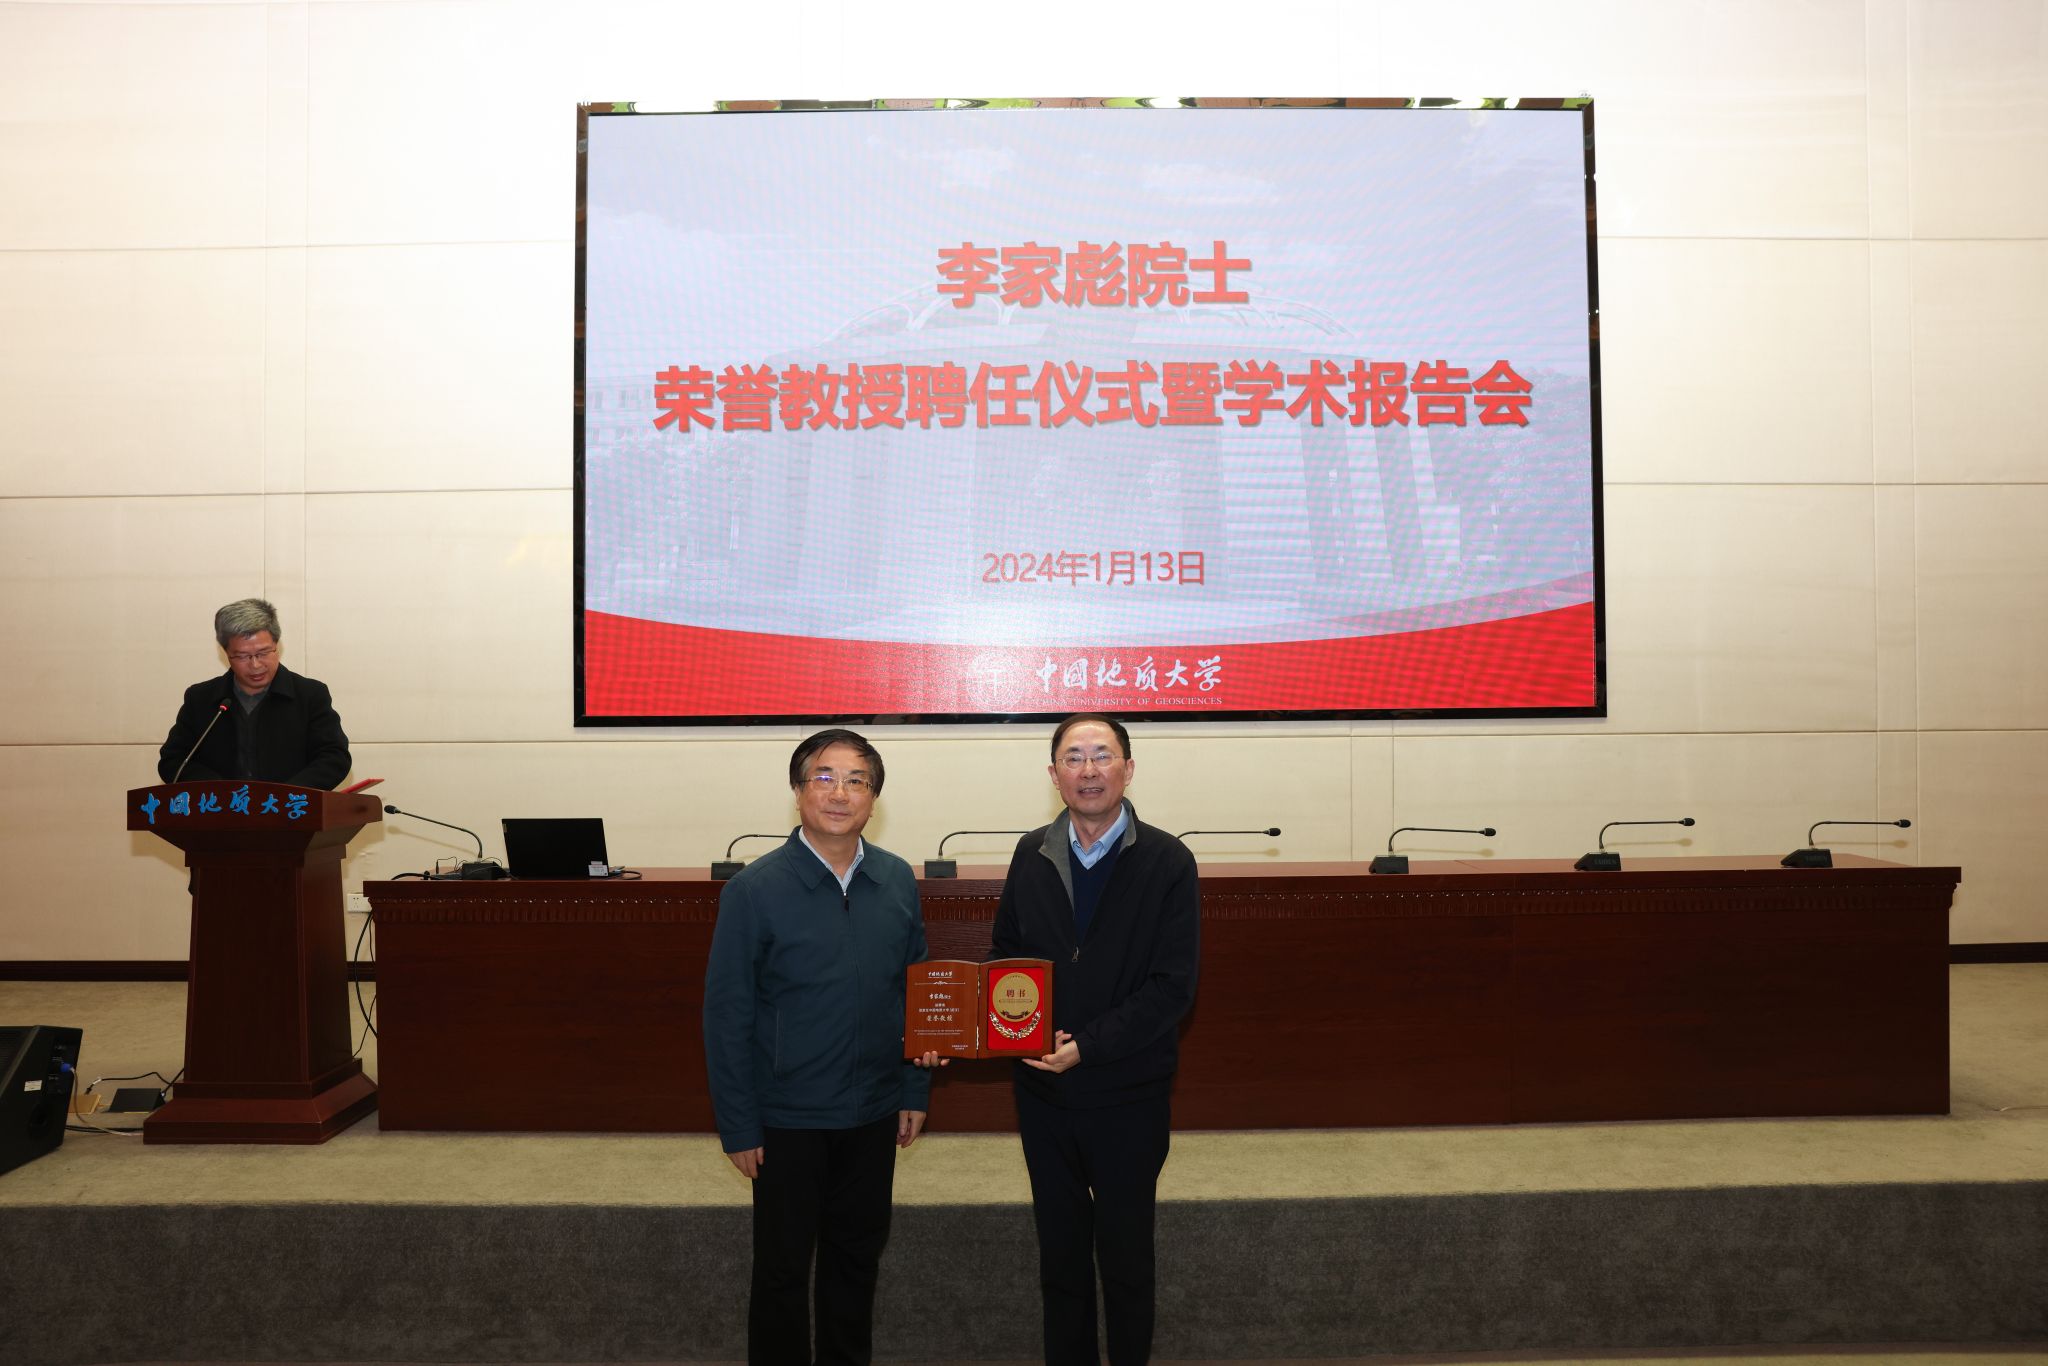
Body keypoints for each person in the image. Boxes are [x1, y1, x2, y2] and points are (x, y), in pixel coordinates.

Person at [702, 728, 936, 1365]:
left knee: (856, 1261)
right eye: (825, 778)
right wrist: (739, 1124)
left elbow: (916, 993)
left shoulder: (895, 879)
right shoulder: (754, 890)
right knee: (782, 1271)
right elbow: (726, 1016)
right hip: (787, 1118)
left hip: (874, 1110)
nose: (840, 793)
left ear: (874, 799)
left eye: (857, 781)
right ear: (799, 790)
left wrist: (914, 1088)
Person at [990, 713, 1200, 1366]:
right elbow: (1006, 959)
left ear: (1128, 769)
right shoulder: (1031, 853)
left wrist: (1087, 1045)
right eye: (1073, 758)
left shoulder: (1167, 860)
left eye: (1102, 755)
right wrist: (1012, 1030)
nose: (1088, 770)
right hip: (1043, 1096)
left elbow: (1172, 987)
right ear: (1053, 775)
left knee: (1127, 1259)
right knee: (1061, 1261)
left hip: (1128, 1093)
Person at [157, 598, 351, 788]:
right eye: (242, 656)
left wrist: (288, 794)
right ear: (226, 654)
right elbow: (173, 761)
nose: (255, 665)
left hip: (290, 807)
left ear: (277, 645)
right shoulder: (201, 699)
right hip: (220, 807)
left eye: (263, 653)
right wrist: (218, 791)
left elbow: (334, 757)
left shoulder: (310, 695)